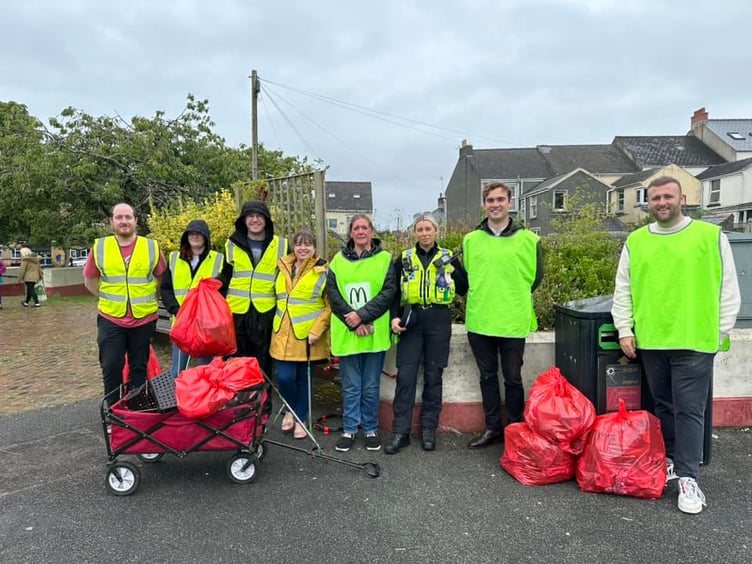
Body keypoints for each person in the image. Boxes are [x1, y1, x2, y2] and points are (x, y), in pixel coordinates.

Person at [612, 176, 740, 515]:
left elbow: (728, 287)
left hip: (696, 339)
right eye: (655, 198)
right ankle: (670, 460)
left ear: (682, 198)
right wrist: (625, 329)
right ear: (648, 203)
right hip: (652, 339)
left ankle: (688, 477)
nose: (662, 202)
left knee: (689, 410)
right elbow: (623, 288)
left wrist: (719, 331)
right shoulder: (636, 241)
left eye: (668, 196)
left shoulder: (710, 236)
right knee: (664, 407)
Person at [457, 181, 543, 449]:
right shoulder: (471, 240)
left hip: (512, 319)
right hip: (480, 319)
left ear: (510, 203)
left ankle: (515, 429)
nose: (495, 204)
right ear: (484, 205)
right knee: (487, 377)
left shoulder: (529, 239)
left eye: (500, 200)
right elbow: (467, 278)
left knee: (513, 378)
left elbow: (535, 278)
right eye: (490, 200)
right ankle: (493, 428)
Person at [384, 214, 458, 454]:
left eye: (428, 229)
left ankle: (428, 429)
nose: (424, 233)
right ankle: (400, 432)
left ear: (436, 231)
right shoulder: (404, 259)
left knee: (434, 376)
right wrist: (394, 317)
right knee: (405, 377)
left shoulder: (448, 258)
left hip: (438, 319)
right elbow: (393, 291)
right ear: (414, 233)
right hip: (411, 320)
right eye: (420, 229)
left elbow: (467, 286)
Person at [83, 203, 167, 408]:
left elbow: (161, 277)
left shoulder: (151, 246)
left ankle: (136, 410)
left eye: (128, 217)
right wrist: (107, 297)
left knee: (139, 368)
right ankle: (114, 410)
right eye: (119, 217)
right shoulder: (101, 247)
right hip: (111, 318)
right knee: (111, 366)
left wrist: (146, 296)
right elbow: (90, 279)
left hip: (143, 318)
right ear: (111, 222)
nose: (124, 221)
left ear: (136, 221)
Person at [327, 214, 397, 452]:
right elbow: (333, 295)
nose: (360, 231)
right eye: (356, 228)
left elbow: (389, 292)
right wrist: (354, 321)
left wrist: (363, 316)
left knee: (369, 386)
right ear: (350, 233)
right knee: (350, 386)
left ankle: (370, 428)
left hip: (373, 334)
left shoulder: (386, 259)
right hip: (349, 334)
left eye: (364, 227)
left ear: (371, 231)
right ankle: (349, 428)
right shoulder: (337, 261)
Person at [270, 230, 331, 440]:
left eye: (308, 244)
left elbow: (329, 306)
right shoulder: (282, 267)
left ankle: (301, 417)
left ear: (314, 249)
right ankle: (290, 409)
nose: (303, 248)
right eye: (299, 244)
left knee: (304, 379)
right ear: (293, 247)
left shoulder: (323, 270)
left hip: (308, 336)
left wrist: (317, 330)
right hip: (282, 333)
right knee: (284, 377)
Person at [218, 200, 288, 379]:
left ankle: (261, 404)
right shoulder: (231, 244)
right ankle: (235, 405)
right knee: (234, 364)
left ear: (266, 220)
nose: (255, 220)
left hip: (265, 313)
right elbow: (226, 275)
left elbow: (292, 274)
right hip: (236, 313)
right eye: (250, 216)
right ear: (243, 220)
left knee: (262, 364)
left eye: (259, 216)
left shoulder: (282, 245)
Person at [161, 219, 225, 377]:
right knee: (178, 372)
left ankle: (205, 401)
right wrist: (176, 310)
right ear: (186, 237)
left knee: (206, 372)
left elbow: (222, 292)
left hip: (207, 327)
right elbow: (166, 288)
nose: (195, 236)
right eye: (192, 233)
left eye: (199, 233)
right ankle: (179, 400)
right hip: (182, 325)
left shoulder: (218, 260)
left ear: (206, 237)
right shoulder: (175, 259)